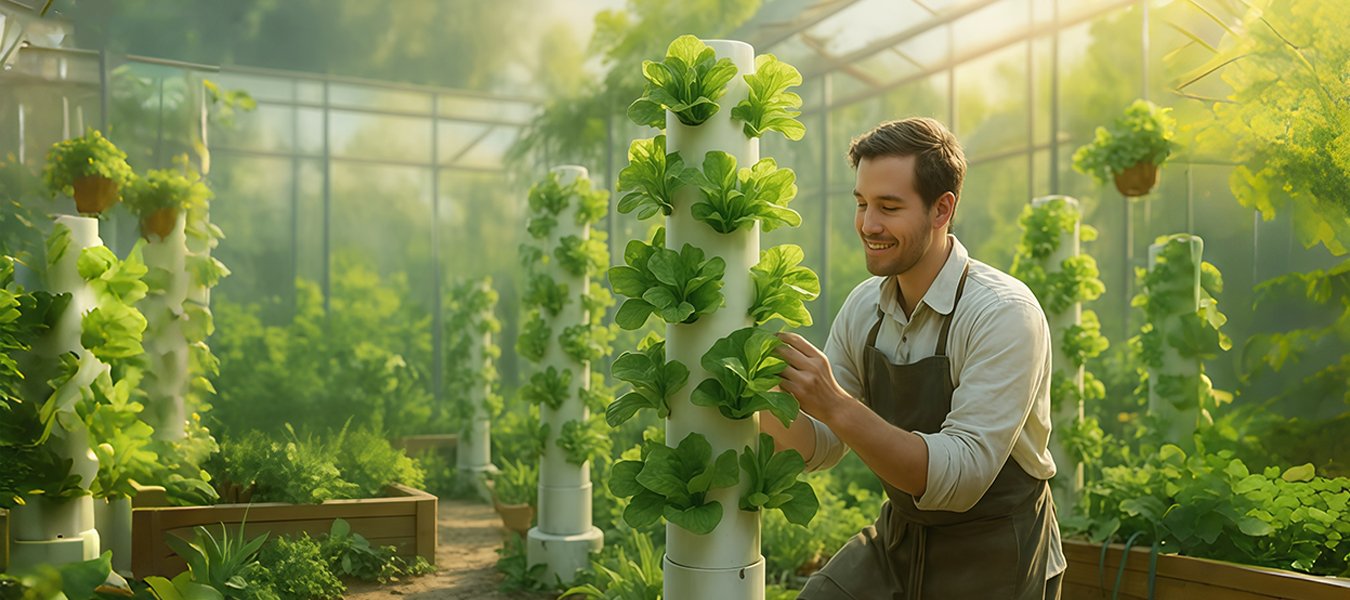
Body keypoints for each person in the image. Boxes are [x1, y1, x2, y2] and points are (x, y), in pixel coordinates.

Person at [763, 117, 1063, 600]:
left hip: (994, 554)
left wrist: (835, 404)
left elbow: (960, 477)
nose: (868, 225)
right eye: (861, 204)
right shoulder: (866, 306)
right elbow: (815, 446)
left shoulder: (1003, 315)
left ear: (942, 209)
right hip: (901, 538)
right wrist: (760, 394)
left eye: (889, 207)